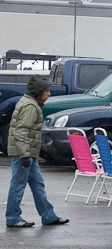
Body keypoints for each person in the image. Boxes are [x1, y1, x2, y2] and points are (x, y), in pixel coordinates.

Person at [5, 76, 68, 228]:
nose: (49, 94)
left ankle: (48, 215)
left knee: (38, 184)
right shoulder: (30, 107)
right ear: (39, 92)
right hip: (24, 153)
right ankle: (13, 217)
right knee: (18, 185)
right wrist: (25, 155)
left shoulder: (30, 103)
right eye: (47, 91)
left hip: (29, 153)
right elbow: (21, 131)